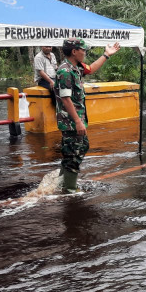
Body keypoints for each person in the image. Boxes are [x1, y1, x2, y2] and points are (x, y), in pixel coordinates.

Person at [54, 38, 120, 192]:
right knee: (75, 153)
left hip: (75, 120)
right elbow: (65, 98)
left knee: (74, 150)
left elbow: (90, 68)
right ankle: (69, 190)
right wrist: (77, 121)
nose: (84, 52)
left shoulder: (75, 67)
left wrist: (106, 55)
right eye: (82, 50)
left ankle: (61, 184)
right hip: (71, 122)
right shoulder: (65, 71)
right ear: (74, 51)